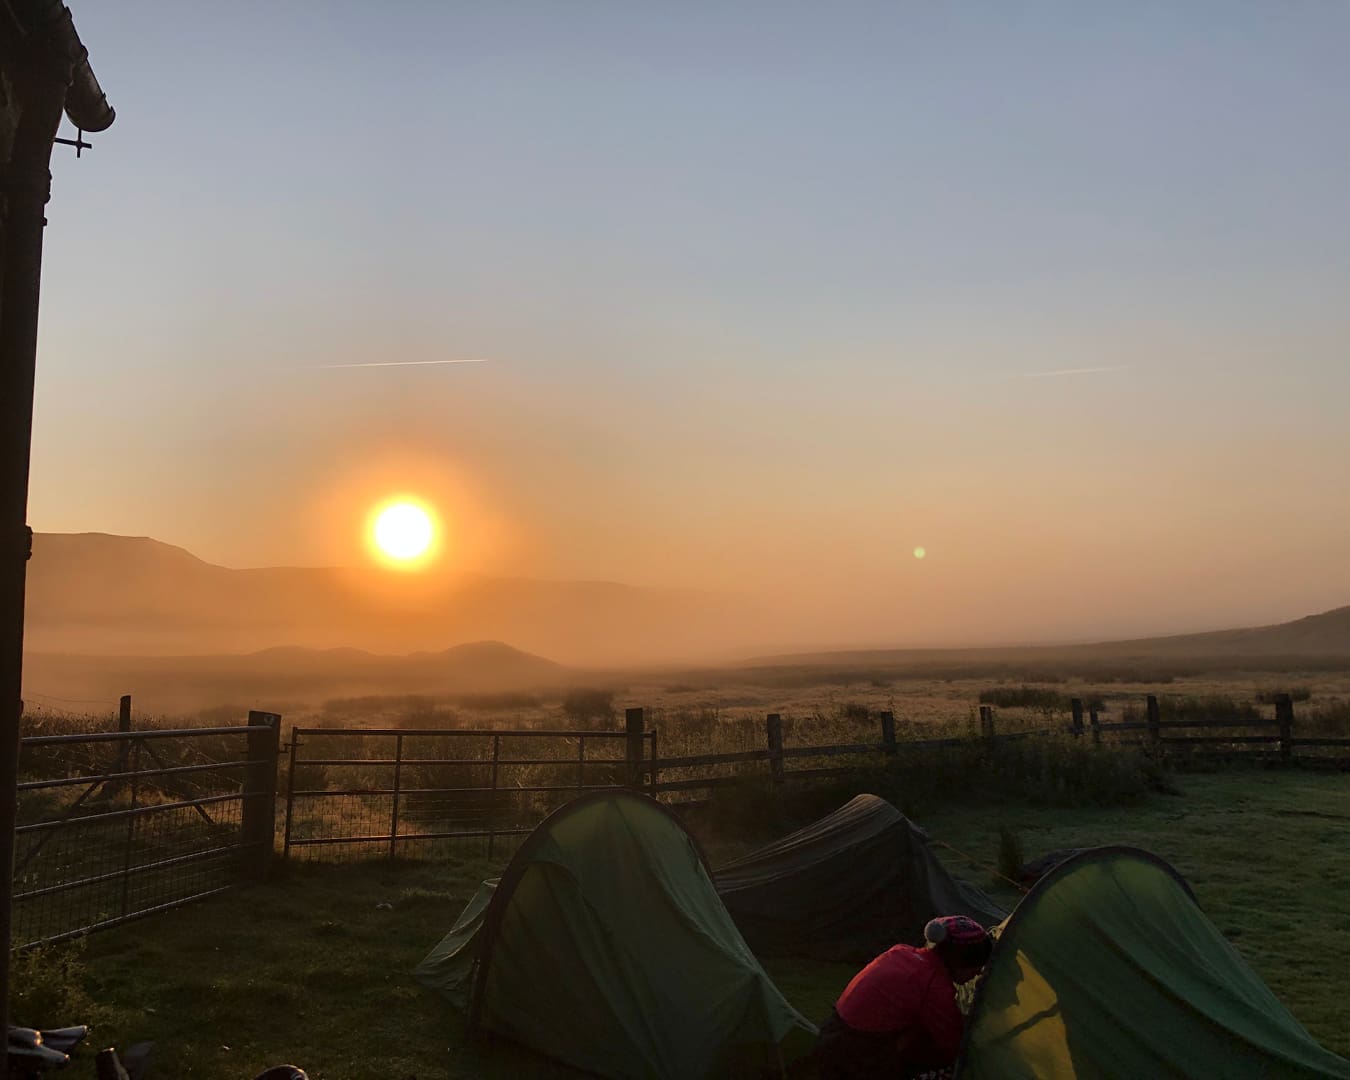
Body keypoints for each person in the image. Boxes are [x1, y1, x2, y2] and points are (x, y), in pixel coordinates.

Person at [815, 915, 993, 1080]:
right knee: (951, 1067)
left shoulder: (901, 952)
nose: (977, 973)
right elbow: (952, 1044)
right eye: (976, 967)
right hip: (858, 1058)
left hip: (830, 1036)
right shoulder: (935, 985)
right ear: (960, 961)